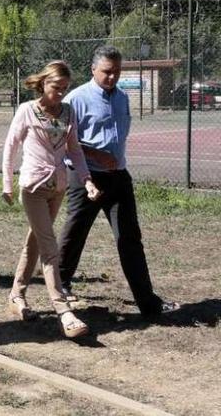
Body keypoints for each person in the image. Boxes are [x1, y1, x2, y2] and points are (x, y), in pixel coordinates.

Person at [57, 46, 180, 318]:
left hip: (119, 177)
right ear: (93, 70)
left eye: (117, 72)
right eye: (107, 72)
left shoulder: (122, 98)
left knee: (129, 238)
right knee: (75, 232)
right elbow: (65, 143)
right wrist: (97, 154)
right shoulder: (76, 99)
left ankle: (148, 302)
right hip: (85, 176)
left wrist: (113, 160)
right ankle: (58, 287)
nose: (112, 77)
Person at [1, 61, 99, 339]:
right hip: (33, 187)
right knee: (49, 247)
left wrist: (88, 180)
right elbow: (10, 147)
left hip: (58, 187)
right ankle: (63, 311)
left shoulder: (68, 112)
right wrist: (7, 183)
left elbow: (75, 149)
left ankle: (16, 295)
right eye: (56, 87)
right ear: (43, 83)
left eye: (65, 88)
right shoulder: (27, 111)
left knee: (35, 241)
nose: (60, 93)